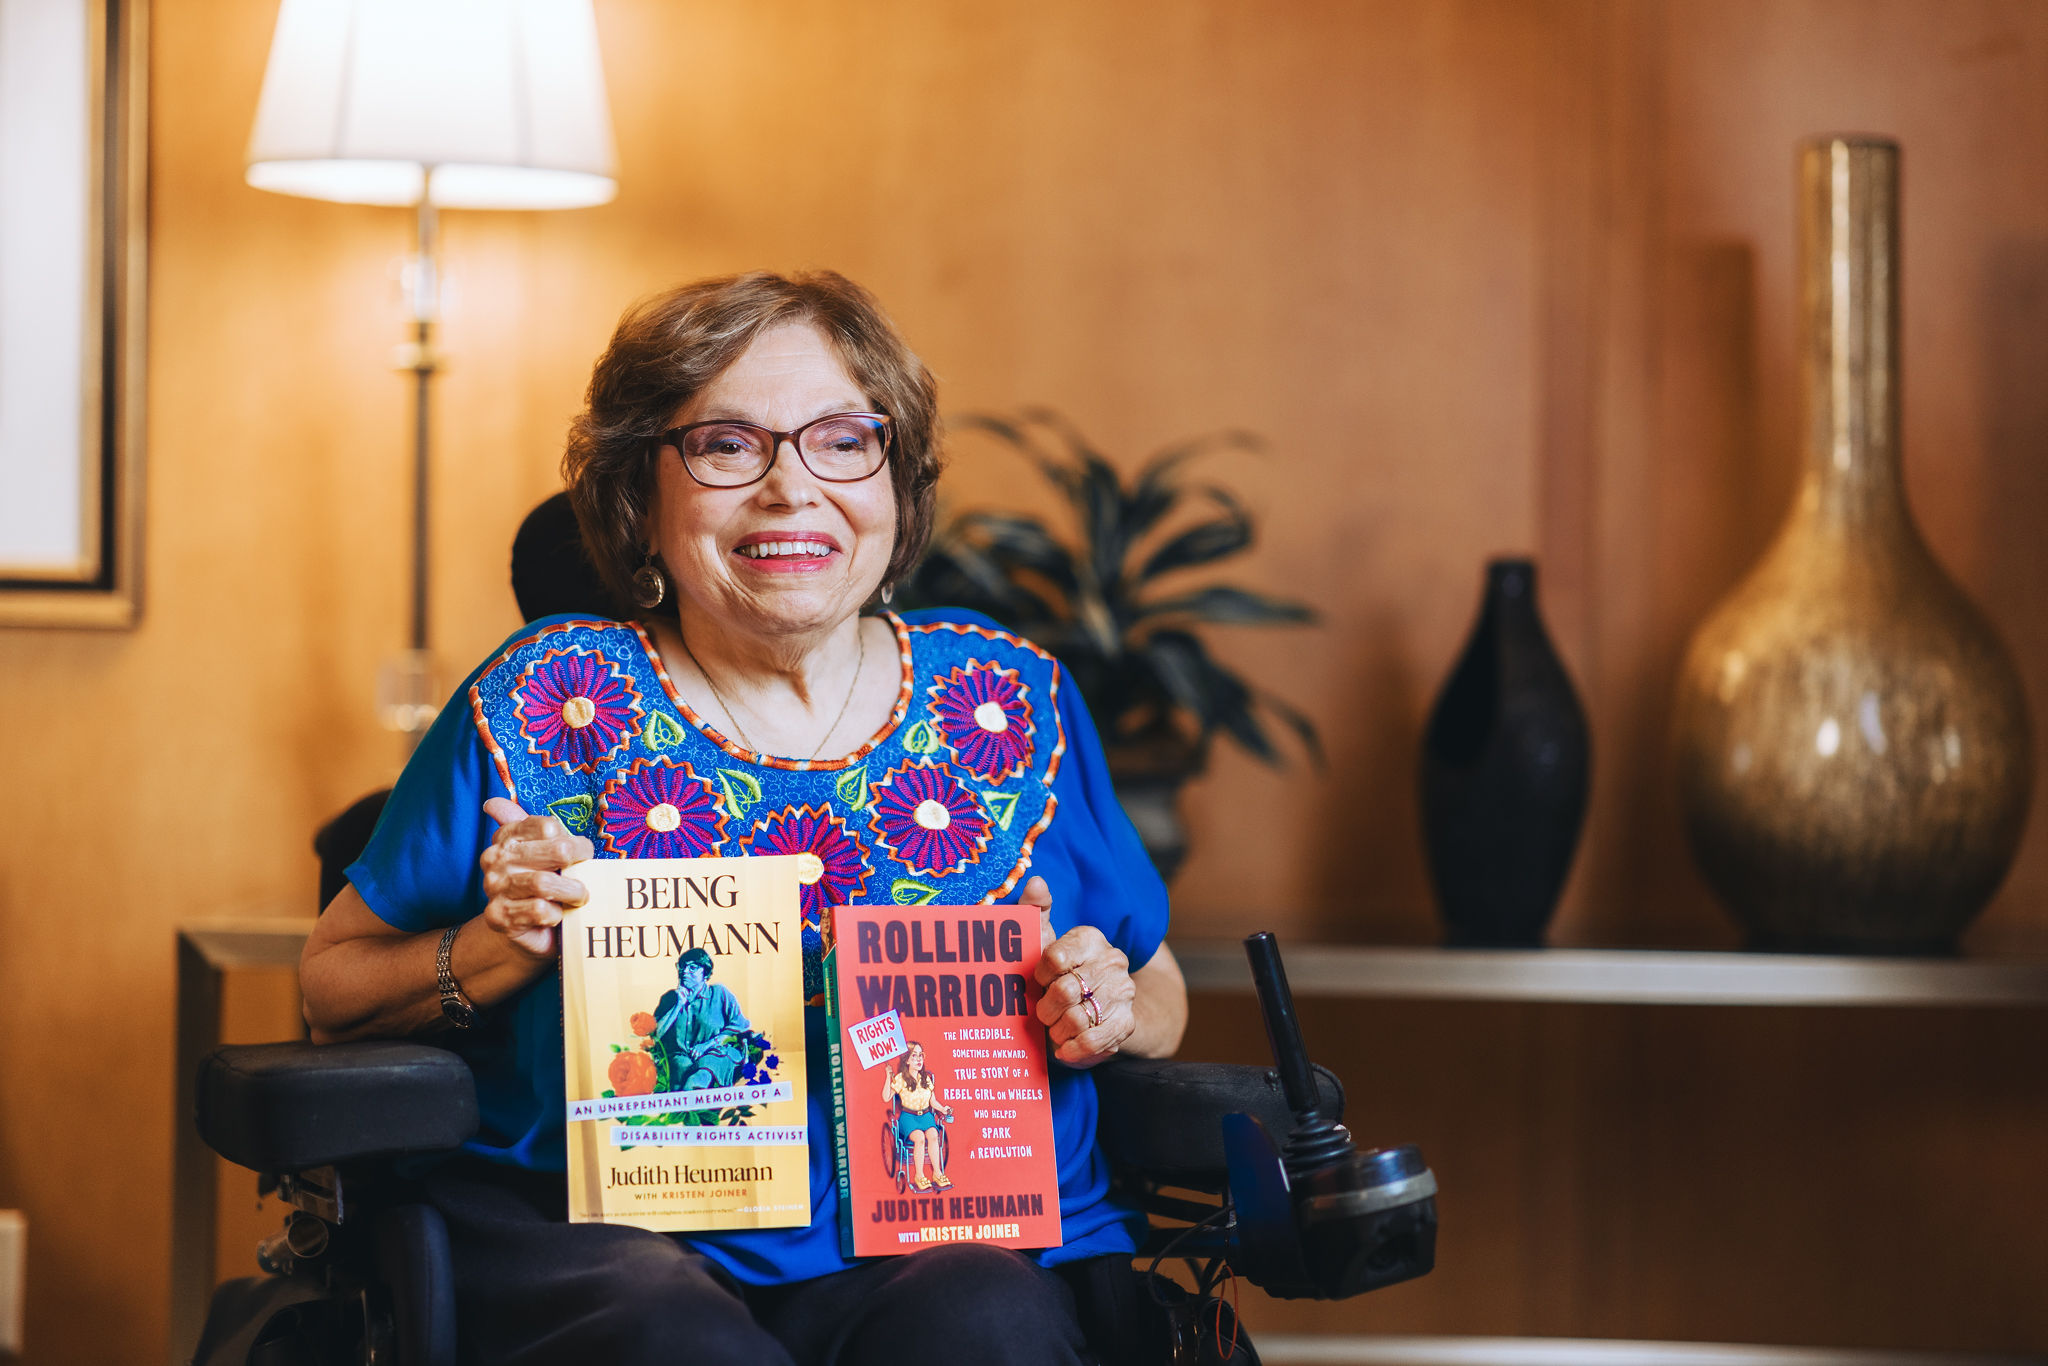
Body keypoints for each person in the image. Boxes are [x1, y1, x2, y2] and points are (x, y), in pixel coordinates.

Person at [299, 270, 1189, 1366]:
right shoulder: (545, 696)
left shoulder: (1010, 697)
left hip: (950, 1229)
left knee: (979, 1323)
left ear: (896, 482)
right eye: (727, 444)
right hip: (602, 1238)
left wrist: (1104, 1004)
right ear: (642, 496)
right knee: (673, 1339)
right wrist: (496, 946)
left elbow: (1158, 983)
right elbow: (329, 983)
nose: (790, 490)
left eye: (842, 440)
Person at [654, 948, 750, 1092]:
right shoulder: (670, 998)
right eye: (682, 966)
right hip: (681, 1059)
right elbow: (655, 1036)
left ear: (705, 973)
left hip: (715, 1054)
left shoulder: (719, 993)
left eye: (692, 968)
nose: (685, 971)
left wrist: (706, 1045)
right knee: (678, 1083)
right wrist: (678, 1004)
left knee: (694, 1083)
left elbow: (739, 1026)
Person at [885, 1042, 954, 1191]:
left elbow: (933, 1101)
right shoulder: (900, 1079)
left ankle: (937, 1173)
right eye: (914, 1055)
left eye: (920, 1055)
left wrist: (943, 1108)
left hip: (926, 1116)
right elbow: (886, 1097)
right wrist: (887, 1076)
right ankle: (919, 1175)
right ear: (907, 1060)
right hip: (908, 1117)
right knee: (920, 1138)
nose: (918, 1059)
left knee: (934, 1135)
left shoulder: (926, 1079)